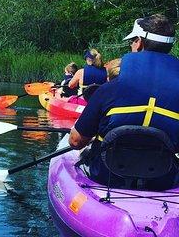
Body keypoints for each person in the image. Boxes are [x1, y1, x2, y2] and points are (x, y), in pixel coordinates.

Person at [69, 14, 179, 188]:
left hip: (108, 177)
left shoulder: (109, 90)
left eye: (132, 41)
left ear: (139, 42)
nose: (131, 45)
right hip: (162, 181)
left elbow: (75, 141)